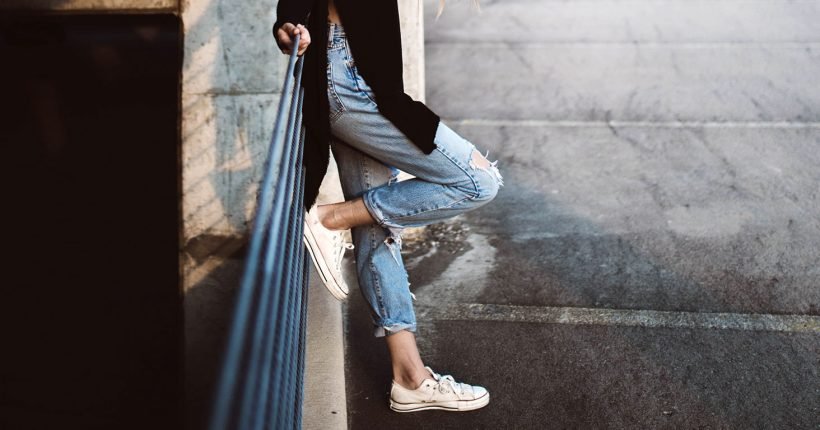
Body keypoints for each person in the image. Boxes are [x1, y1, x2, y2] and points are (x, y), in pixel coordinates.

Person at [273, 0, 501, 412]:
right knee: (478, 180)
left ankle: (409, 377)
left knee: (376, 222)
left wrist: (287, 20)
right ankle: (328, 220)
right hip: (350, 80)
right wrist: (287, 21)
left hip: (352, 68)